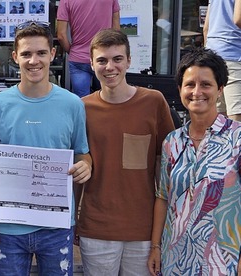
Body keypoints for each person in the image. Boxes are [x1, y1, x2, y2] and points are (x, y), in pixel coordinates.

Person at [0, 21, 92, 275]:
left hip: (56, 225)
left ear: (53, 54)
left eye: (40, 53)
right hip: (9, 227)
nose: (33, 60)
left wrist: (86, 165)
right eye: (26, 54)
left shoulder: (73, 104)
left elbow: (82, 152)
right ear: (16, 57)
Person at [78, 29, 175, 275]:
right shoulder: (81, 108)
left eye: (117, 59)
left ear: (129, 61)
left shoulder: (154, 102)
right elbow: (77, 163)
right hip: (97, 229)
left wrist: (162, 232)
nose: (110, 66)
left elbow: (166, 168)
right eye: (101, 60)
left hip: (143, 231)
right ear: (91, 64)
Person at [147, 48, 241, 276]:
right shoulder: (172, 141)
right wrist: (155, 247)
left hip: (223, 260)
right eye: (190, 84)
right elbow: (162, 197)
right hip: (174, 260)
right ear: (180, 90)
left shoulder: (237, 138)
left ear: (220, 90)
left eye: (206, 84)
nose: (197, 91)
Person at [57, 0, 120, 97]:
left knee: (82, 102)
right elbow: (116, 32)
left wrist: (73, 51)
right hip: (104, 56)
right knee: (107, 99)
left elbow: (61, 35)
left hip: (78, 58)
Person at [203, 0, 241, 121]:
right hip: (235, 54)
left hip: (213, 56)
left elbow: (206, 28)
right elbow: (238, 19)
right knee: (236, 116)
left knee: (218, 117)